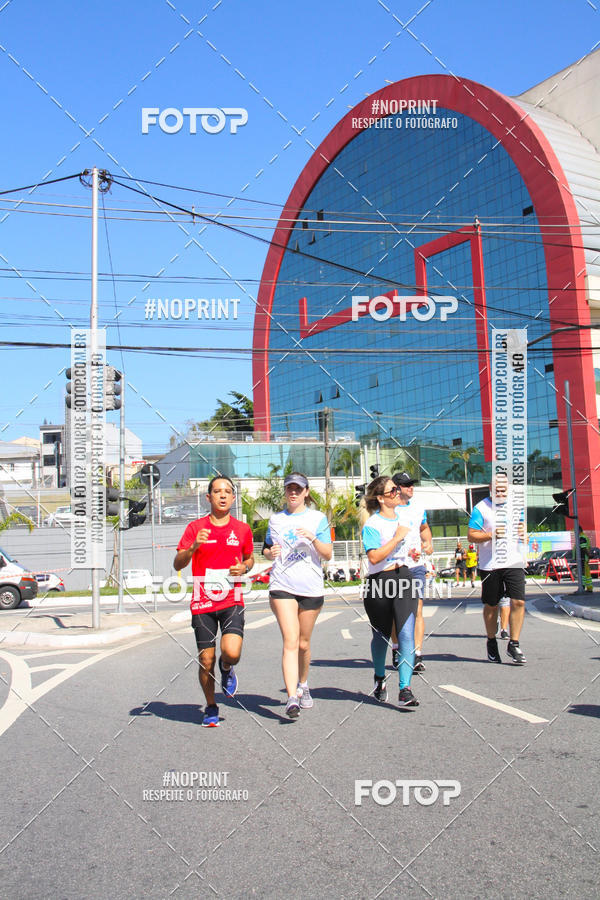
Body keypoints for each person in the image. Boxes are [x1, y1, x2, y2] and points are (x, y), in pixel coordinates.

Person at [174, 476, 254, 727]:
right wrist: (193, 547)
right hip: (203, 600)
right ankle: (210, 706)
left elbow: (250, 559)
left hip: (231, 597)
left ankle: (227, 668)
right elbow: (178, 563)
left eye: (227, 491)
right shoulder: (195, 529)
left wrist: (244, 567)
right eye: (217, 491)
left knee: (231, 652)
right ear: (208, 497)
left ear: (233, 498)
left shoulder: (242, 529)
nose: (222, 495)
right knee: (205, 660)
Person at [263, 473, 332, 718]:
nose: (293, 492)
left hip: (311, 588)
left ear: (306, 492)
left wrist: (312, 537)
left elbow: (327, 554)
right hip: (282, 585)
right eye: (289, 488)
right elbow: (267, 548)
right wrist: (270, 553)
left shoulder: (318, 519)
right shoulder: (275, 520)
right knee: (290, 640)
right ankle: (292, 697)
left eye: (298, 489)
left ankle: (303, 684)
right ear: (285, 492)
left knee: (303, 643)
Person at [361, 475, 419, 707]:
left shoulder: (404, 519)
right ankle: (378, 677)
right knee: (381, 635)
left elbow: (407, 547)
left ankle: (405, 688)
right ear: (381, 498)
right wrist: (397, 538)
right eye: (392, 490)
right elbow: (374, 556)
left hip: (403, 576)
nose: (397, 492)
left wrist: (413, 552)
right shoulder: (372, 524)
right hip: (378, 581)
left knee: (405, 633)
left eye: (397, 489)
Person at [467, 473, 527, 664]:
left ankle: (514, 643)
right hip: (490, 565)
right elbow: (471, 535)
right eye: (497, 490)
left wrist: (524, 533)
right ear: (490, 489)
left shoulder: (516, 506)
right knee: (491, 605)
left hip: (514, 561)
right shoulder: (481, 508)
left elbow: (521, 526)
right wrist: (490, 535)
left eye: (503, 490)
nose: (500, 493)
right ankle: (491, 641)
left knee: (518, 602)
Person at [390, 471, 433, 673]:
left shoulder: (418, 508)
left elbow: (424, 528)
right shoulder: (390, 510)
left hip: (416, 566)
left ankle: (416, 654)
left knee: (417, 610)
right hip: (395, 566)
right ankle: (397, 648)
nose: (411, 488)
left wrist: (428, 543)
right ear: (396, 488)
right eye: (406, 485)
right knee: (396, 613)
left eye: (412, 484)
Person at [578, 526, 593, 592]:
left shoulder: (582, 537)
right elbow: (588, 547)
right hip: (585, 558)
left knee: (583, 573)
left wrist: (588, 555)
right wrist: (589, 555)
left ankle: (582, 587)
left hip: (582, 558)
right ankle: (589, 587)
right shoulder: (585, 537)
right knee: (587, 574)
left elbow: (583, 548)